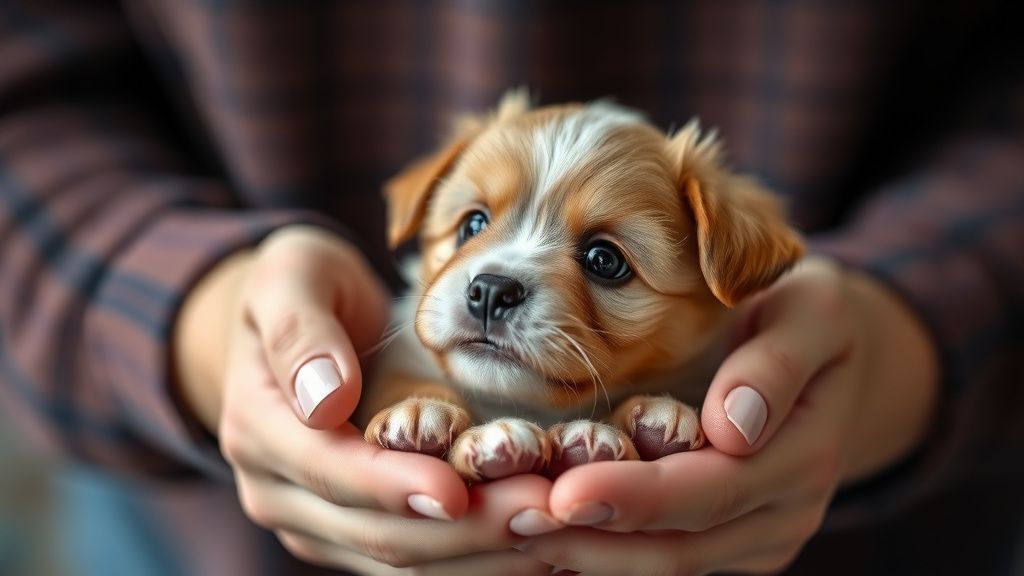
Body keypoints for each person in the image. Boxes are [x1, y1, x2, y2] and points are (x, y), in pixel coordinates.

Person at [1, 1, 1021, 575]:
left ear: (723, 284)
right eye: (474, 226)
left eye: (607, 261)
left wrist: (902, 343)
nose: (496, 278)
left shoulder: (730, 264)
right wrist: (200, 324)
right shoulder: (400, 341)